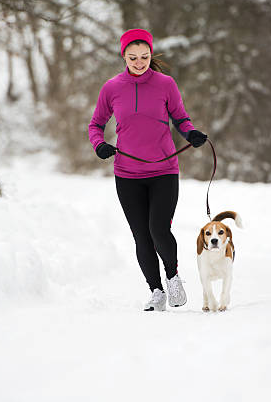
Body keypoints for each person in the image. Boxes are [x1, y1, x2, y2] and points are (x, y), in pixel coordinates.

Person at [88, 28, 208, 311]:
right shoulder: (112, 87)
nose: (139, 62)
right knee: (141, 235)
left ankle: (172, 276)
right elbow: (95, 125)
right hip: (127, 174)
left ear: (151, 54)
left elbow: (180, 117)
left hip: (164, 170)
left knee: (158, 228)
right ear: (124, 56)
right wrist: (99, 145)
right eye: (133, 57)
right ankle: (156, 291)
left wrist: (190, 134)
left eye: (144, 56)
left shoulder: (166, 84)